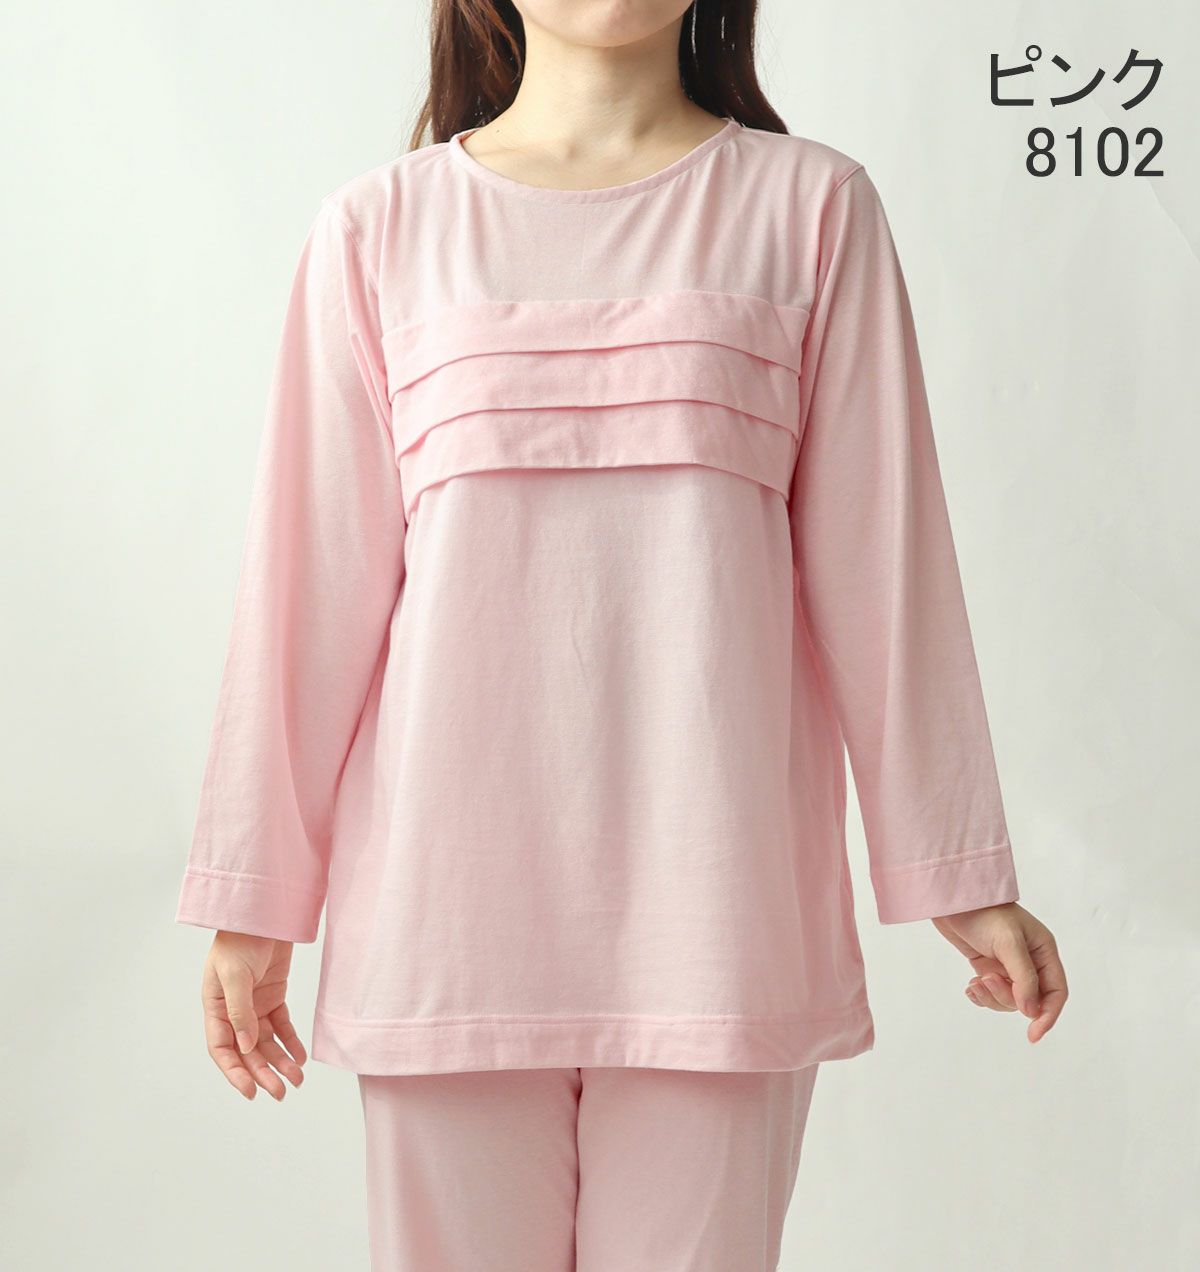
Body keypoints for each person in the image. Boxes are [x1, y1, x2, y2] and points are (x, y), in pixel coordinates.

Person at [175, 1, 1069, 1267]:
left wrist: (958, 872)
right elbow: (305, 594)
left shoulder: (812, 210)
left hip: (716, 917)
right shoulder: (379, 230)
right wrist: (255, 896)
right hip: (444, 925)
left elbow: (887, 565)